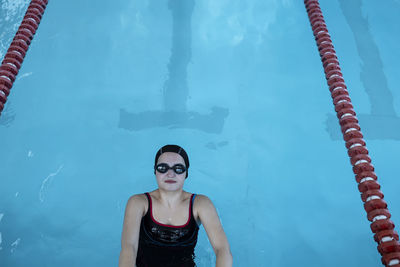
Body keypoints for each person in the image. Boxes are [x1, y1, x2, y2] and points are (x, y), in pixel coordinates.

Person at [118, 144, 233, 267]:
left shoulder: (200, 204)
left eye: (178, 168)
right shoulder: (138, 202)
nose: (170, 174)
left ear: (186, 173)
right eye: (163, 168)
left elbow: (222, 250)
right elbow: (129, 248)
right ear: (155, 171)